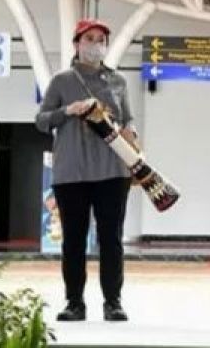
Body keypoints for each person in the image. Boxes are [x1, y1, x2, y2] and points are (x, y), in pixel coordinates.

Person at [36, 18, 135, 323]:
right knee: (74, 240)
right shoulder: (62, 81)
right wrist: (68, 111)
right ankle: (74, 302)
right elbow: (41, 120)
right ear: (77, 44)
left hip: (113, 170)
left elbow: (128, 119)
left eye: (101, 39)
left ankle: (113, 302)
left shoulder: (118, 81)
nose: (96, 44)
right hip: (71, 172)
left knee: (112, 238)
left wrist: (132, 131)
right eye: (89, 38)